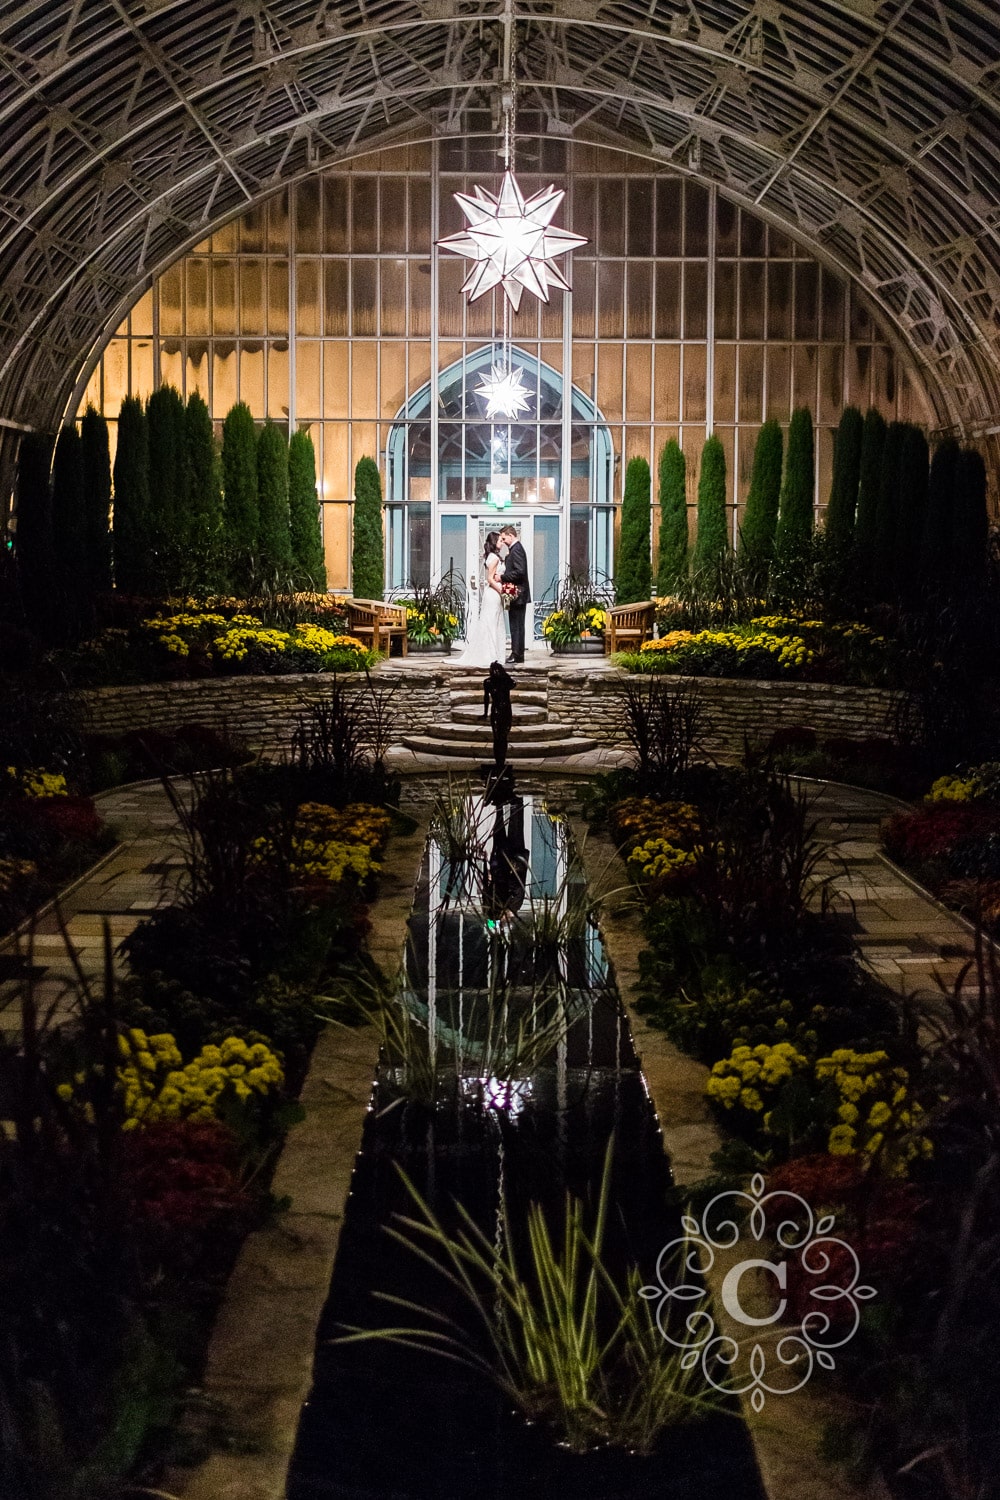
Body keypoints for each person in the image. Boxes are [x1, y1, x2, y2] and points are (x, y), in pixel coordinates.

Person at [458, 530, 508, 667]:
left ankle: (493, 654)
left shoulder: (491, 556)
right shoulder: (495, 558)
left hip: (492, 594)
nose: (502, 543)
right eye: (500, 541)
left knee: (493, 622)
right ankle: (490, 654)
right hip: (493, 593)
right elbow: (490, 579)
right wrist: (502, 590)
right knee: (491, 622)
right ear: (494, 543)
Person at [499, 524, 530, 663]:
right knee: (516, 624)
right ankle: (517, 654)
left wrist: (502, 577)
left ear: (511, 536)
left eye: (504, 538)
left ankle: (516, 654)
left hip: (518, 594)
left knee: (516, 625)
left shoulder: (517, 549)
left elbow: (519, 572)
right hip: (517, 594)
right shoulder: (514, 550)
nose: (503, 541)